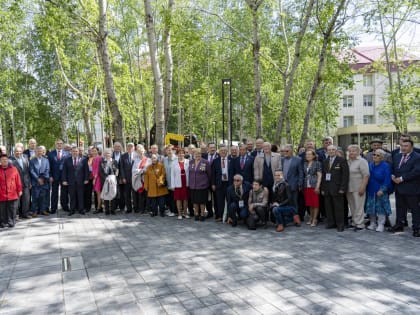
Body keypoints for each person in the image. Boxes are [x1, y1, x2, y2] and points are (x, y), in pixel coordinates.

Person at [389, 139, 420, 237]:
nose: (403, 148)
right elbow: (394, 168)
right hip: (399, 187)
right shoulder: (397, 156)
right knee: (400, 207)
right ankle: (399, 225)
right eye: (402, 145)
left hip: (412, 188)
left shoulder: (417, 157)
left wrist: (402, 178)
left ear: (411, 147)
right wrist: (393, 175)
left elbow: (416, 172)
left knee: (415, 209)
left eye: (406, 146)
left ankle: (417, 228)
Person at [320, 145, 349, 232]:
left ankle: (340, 224)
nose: (331, 151)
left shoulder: (342, 160)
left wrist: (342, 188)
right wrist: (323, 188)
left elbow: (345, 175)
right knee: (328, 207)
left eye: (333, 149)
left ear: (336, 151)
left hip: (338, 188)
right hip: (327, 188)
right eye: (329, 150)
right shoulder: (325, 161)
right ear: (327, 151)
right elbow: (324, 176)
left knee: (339, 207)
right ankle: (331, 223)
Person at [365, 149, 393, 232]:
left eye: (378, 155)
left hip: (381, 190)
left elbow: (387, 179)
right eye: (374, 155)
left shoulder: (386, 166)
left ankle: (381, 224)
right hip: (370, 189)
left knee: (381, 208)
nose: (375, 156)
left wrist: (382, 190)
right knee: (371, 208)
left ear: (382, 157)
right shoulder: (370, 165)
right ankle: (372, 223)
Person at [347, 145, 370, 231]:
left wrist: (363, 187)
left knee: (359, 206)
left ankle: (360, 224)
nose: (351, 152)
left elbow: (366, 175)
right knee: (352, 206)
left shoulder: (362, 161)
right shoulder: (348, 161)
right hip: (349, 187)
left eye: (353, 151)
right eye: (350, 151)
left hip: (358, 187)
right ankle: (354, 222)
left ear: (358, 152)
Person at [62, 147, 89, 216]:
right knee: (72, 196)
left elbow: (86, 170)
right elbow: (64, 171)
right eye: (73, 151)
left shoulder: (84, 160)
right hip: (71, 181)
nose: (75, 152)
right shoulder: (67, 160)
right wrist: (64, 180)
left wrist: (86, 179)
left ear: (78, 152)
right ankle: (72, 210)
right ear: (71, 152)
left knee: (81, 196)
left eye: (76, 151)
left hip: (81, 181)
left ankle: (81, 209)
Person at [211, 145, 234, 222]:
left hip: (229, 183)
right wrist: (213, 184)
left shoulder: (231, 160)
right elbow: (213, 174)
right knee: (219, 201)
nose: (223, 152)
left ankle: (229, 216)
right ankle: (220, 216)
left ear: (227, 151)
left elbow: (234, 172)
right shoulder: (215, 161)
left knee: (229, 200)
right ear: (219, 152)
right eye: (221, 151)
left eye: (225, 150)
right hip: (219, 184)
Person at [280, 144, 303, 217]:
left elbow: (301, 173)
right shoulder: (282, 159)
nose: (285, 152)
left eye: (287, 151)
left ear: (291, 151)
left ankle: (296, 218)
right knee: (285, 202)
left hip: (293, 185)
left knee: (294, 202)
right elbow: (280, 171)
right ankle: (288, 217)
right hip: (283, 185)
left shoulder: (298, 159)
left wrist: (300, 184)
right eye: (284, 151)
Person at [0, 154, 22, 228]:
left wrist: (20, 190)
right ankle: (3, 222)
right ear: (0, 161)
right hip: (1, 194)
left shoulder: (13, 169)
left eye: (6, 159)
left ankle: (11, 221)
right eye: (2, 160)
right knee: (2, 209)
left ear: (8, 160)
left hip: (12, 193)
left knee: (12, 209)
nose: (4, 161)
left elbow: (18, 180)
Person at [189, 148, 211, 221]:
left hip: (202, 185)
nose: (197, 155)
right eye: (195, 154)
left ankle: (202, 214)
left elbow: (209, 174)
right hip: (193, 185)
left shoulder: (205, 162)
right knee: (195, 201)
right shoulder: (191, 162)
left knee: (202, 201)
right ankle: (196, 214)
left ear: (201, 154)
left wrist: (208, 183)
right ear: (193, 154)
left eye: (198, 154)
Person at [9, 146, 31, 219]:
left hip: (26, 183)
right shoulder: (11, 161)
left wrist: (29, 182)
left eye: (20, 151)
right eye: (17, 151)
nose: (18, 153)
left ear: (22, 151)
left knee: (26, 199)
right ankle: (16, 215)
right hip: (16, 184)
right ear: (14, 152)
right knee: (17, 201)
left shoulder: (25, 159)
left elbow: (28, 172)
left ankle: (25, 214)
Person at [48, 138, 69, 213]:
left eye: (60, 143)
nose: (59, 145)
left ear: (63, 144)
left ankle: (65, 206)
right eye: (58, 143)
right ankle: (53, 208)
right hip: (54, 176)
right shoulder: (51, 154)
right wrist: (50, 176)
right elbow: (49, 166)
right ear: (55, 144)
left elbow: (68, 167)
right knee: (54, 193)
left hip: (64, 177)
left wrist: (67, 177)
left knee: (64, 193)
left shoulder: (67, 154)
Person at [303, 149, 322, 226]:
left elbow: (319, 175)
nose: (308, 156)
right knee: (310, 203)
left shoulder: (317, 163)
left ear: (314, 156)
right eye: (306, 154)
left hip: (314, 185)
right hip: (306, 185)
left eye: (310, 154)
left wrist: (317, 186)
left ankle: (315, 219)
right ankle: (311, 217)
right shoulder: (305, 163)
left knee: (315, 204)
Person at [29, 146, 50, 217]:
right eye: (38, 151)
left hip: (44, 182)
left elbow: (47, 170)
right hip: (36, 182)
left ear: (42, 152)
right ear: (35, 152)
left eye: (40, 151)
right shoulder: (32, 161)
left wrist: (43, 179)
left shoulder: (46, 160)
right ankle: (34, 211)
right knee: (35, 197)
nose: (39, 152)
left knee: (43, 197)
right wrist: (38, 179)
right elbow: (31, 171)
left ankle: (43, 210)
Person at [170, 147, 189, 219]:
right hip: (177, 183)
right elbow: (172, 175)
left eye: (182, 153)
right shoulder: (174, 162)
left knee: (185, 199)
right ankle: (179, 214)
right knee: (178, 199)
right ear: (177, 154)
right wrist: (172, 185)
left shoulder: (188, 161)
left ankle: (185, 213)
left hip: (186, 182)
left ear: (184, 154)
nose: (181, 154)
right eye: (179, 153)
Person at [100, 148, 119, 215]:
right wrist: (106, 178)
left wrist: (114, 177)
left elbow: (117, 170)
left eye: (109, 153)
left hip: (113, 180)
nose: (108, 155)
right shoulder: (102, 162)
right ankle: (107, 210)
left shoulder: (114, 161)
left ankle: (113, 210)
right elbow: (101, 172)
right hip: (105, 181)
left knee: (113, 194)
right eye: (107, 153)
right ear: (105, 154)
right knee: (106, 194)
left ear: (111, 154)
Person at [120, 143, 135, 213]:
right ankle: (129, 208)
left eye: (131, 147)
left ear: (134, 148)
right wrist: (123, 177)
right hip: (126, 178)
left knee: (135, 194)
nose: (130, 148)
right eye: (128, 147)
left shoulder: (136, 155)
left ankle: (136, 208)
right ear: (127, 148)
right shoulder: (123, 156)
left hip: (135, 178)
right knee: (127, 194)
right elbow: (121, 168)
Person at [163, 145, 177, 217]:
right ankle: (171, 210)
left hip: (175, 182)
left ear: (173, 150)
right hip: (167, 181)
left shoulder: (176, 159)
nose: (169, 151)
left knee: (174, 197)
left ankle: (174, 211)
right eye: (167, 150)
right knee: (168, 197)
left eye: (170, 150)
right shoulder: (164, 159)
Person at [112, 142, 125, 211]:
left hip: (121, 177)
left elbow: (124, 167)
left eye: (119, 146)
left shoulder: (123, 155)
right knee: (114, 191)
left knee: (122, 192)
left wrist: (122, 177)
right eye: (116, 146)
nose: (117, 148)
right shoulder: (110, 155)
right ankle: (114, 206)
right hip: (112, 177)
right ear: (113, 147)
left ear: (121, 148)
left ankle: (122, 207)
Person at [91, 147, 103, 213]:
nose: (94, 152)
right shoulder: (94, 158)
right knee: (98, 193)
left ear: (98, 151)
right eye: (92, 151)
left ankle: (99, 208)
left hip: (98, 178)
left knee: (99, 193)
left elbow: (98, 169)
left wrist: (95, 179)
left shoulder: (99, 158)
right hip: (95, 178)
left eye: (95, 151)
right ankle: (100, 207)